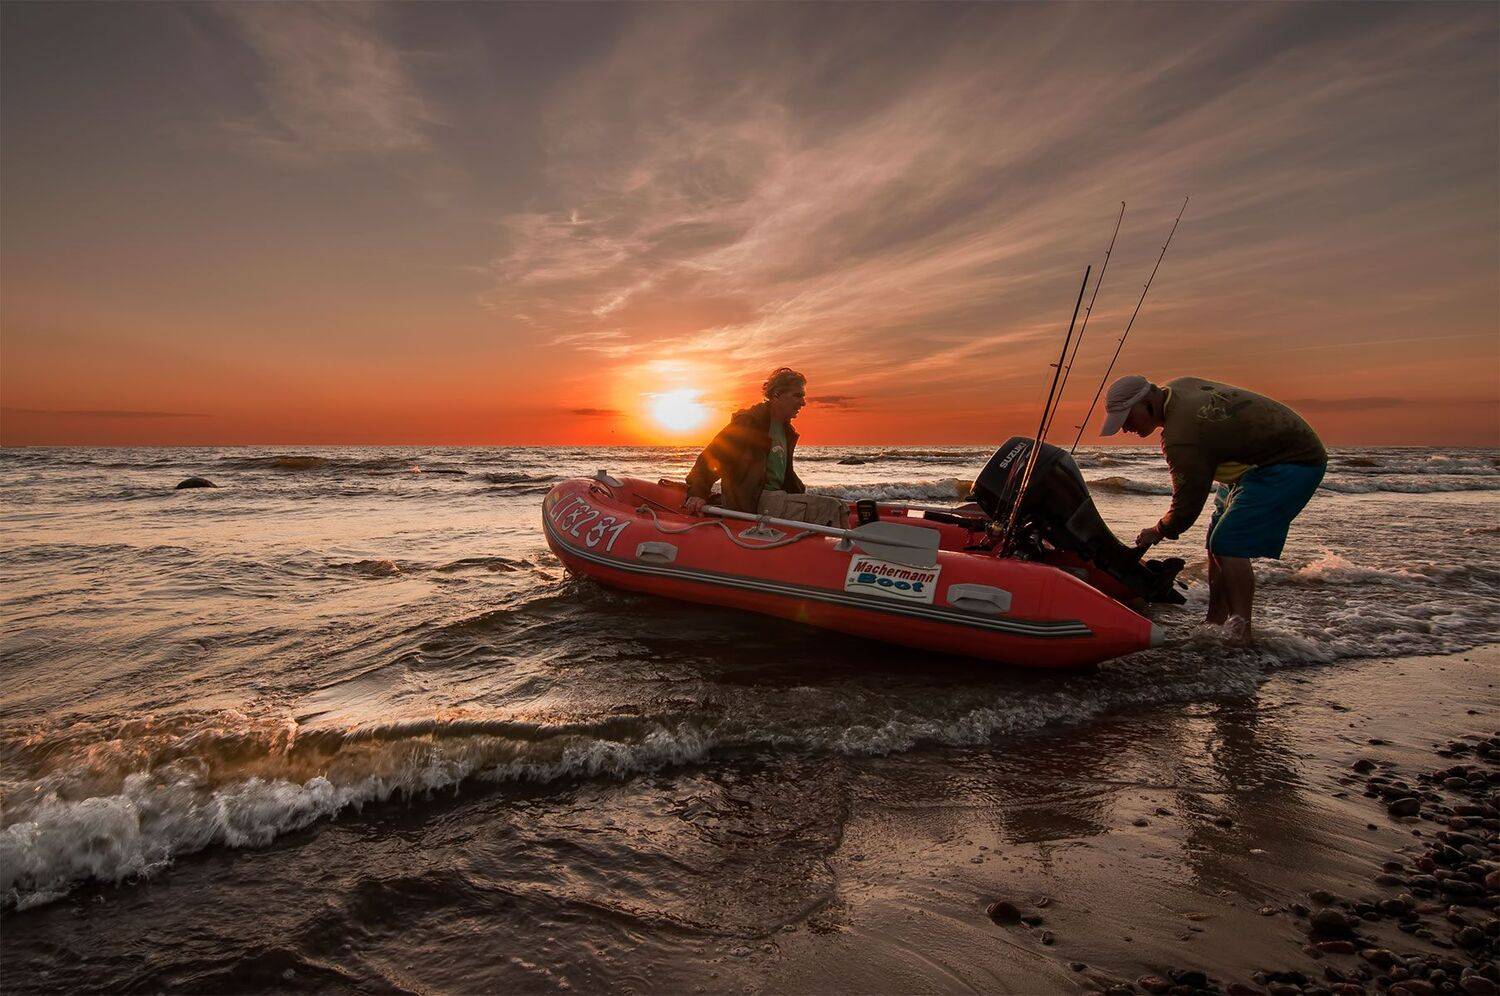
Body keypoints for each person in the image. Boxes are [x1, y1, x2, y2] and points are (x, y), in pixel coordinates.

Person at [1099, 374, 1327, 644]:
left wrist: (1158, 530)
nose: (1125, 428)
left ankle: (1241, 631)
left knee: (1228, 543)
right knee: (1214, 544)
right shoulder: (1177, 387)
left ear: (1147, 401)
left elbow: (1186, 507)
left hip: (1292, 462)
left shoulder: (1182, 437)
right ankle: (1214, 621)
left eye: (1127, 418)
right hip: (1249, 464)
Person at [683, 367, 847, 527]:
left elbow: (782, 475)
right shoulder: (749, 423)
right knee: (832, 508)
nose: (803, 402)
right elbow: (711, 459)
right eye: (798, 395)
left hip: (775, 498)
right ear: (776, 395)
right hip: (752, 502)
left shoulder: (786, 431)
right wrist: (698, 493)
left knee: (842, 506)